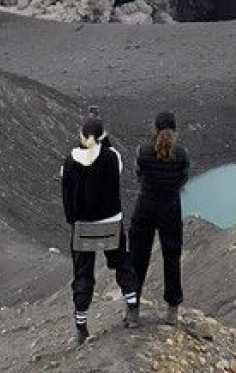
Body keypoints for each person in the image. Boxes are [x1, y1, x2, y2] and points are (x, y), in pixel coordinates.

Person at [61, 113, 140, 344]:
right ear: (103, 137)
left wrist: (73, 221)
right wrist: (105, 141)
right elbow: (115, 167)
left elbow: (66, 195)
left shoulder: (68, 162)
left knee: (83, 273)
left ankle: (81, 326)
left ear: (81, 136)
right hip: (110, 223)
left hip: (82, 227)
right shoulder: (112, 157)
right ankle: (133, 310)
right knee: (121, 263)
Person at [129, 110, 189, 324]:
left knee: (137, 258)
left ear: (155, 130)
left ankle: (132, 310)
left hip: (145, 207)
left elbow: (138, 175)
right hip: (170, 208)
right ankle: (172, 311)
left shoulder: (143, 151)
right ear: (174, 130)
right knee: (171, 258)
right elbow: (183, 179)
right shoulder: (181, 153)